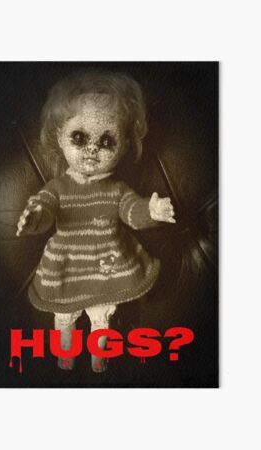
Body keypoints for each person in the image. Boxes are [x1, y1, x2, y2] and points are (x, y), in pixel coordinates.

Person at [16, 70, 175, 372]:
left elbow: (132, 211)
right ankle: (65, 356)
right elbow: (45, 208)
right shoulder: (58, 188)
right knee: (64, 317)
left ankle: (99, 357)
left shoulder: (117, 189)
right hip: (66, 264)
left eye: (106, 141)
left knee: (101, 316)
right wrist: (34, 218)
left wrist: (152, 210)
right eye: (79, 138)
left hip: (107, 264)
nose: (92, 149)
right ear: (59, 137)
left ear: (124, 145)